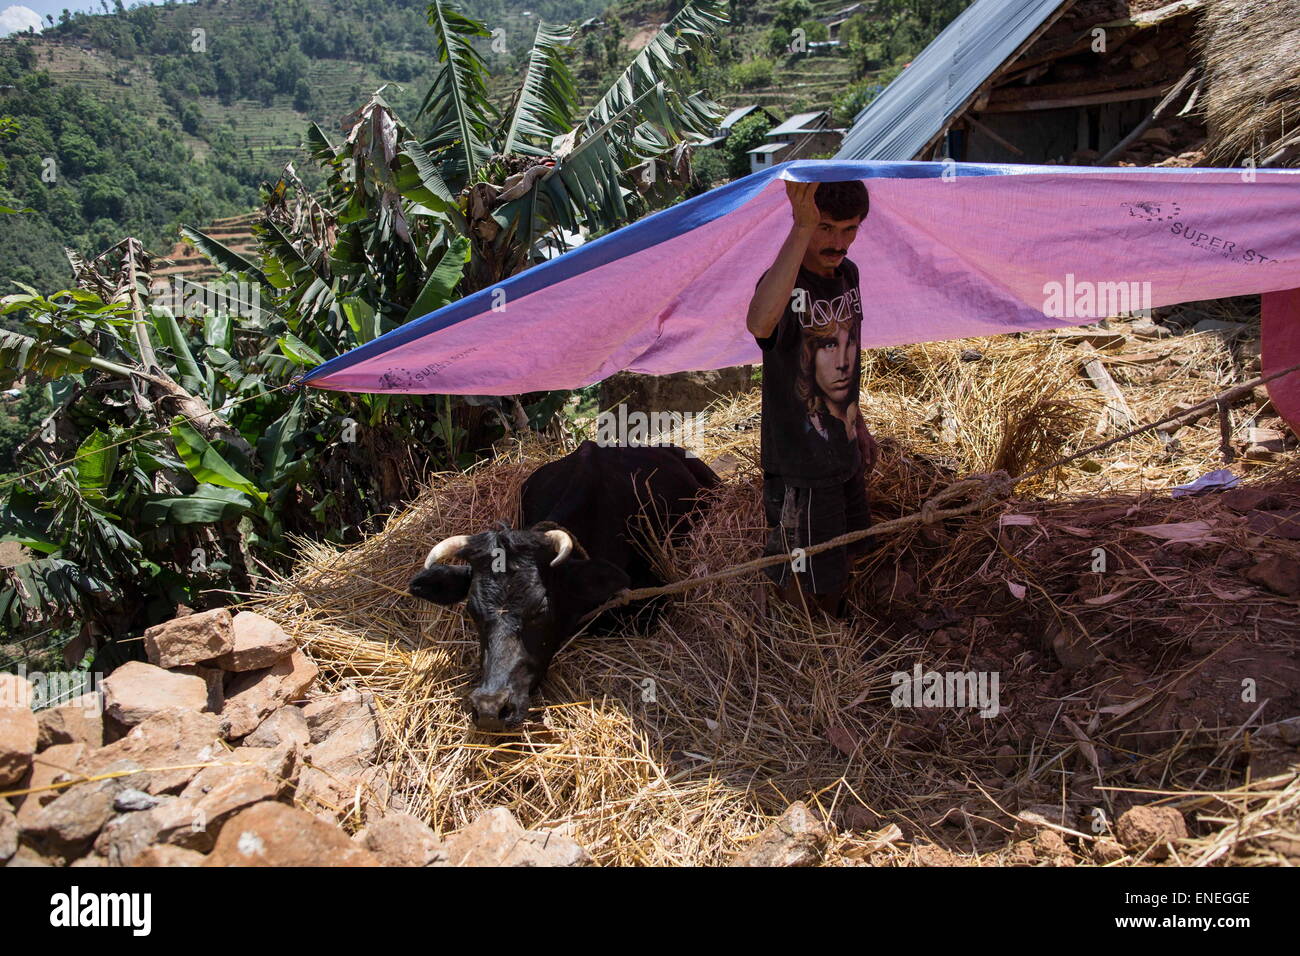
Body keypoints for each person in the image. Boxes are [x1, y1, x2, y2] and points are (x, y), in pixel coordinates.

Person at [746, 179, 878, 617]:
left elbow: (848, 360)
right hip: (800, 465)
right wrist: (801, 228)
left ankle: (833, 628)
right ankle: (803, 643)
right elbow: (759, 324)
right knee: (800, 568)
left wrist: (857, 424)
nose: (838, 243)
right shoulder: (785, 285)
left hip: (842, 451)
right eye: (825, 228)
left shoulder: (849, 274)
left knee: (843, 553)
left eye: (849, 229)